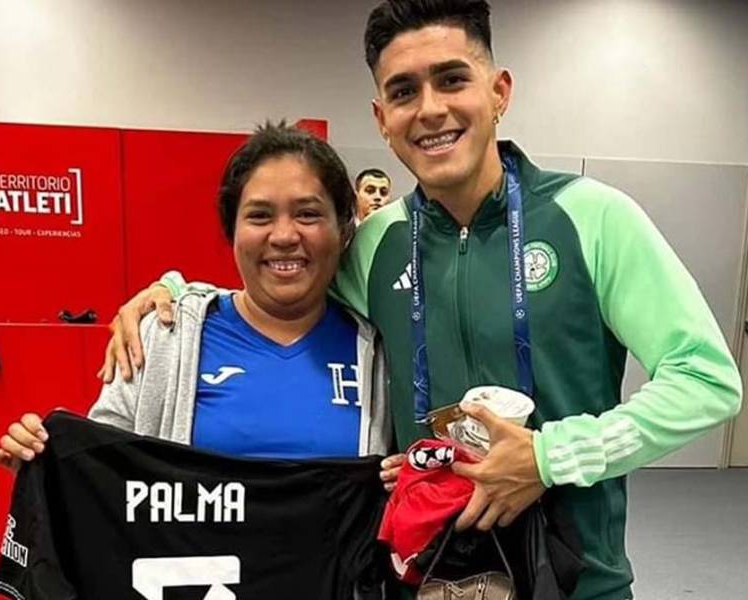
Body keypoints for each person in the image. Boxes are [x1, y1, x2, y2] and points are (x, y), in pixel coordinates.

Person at [97, 2, 743, 599]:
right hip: (422, 578)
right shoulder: (377, 244)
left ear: (500, 92)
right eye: (404, 91)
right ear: (382, 118)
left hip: (573, 581)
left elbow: (707, 381)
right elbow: (283, 280)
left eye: (452, 80)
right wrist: (179, 296)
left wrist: (550, 458)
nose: (430, 109)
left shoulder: (593, 218)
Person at [0, 122, 391, 473]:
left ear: (343, 229)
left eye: (307, 214)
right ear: (231, 231)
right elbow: (101, 472)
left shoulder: (379, 353)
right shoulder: (164, 335)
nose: (284, 236)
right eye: (259, 216)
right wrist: (45, 463)